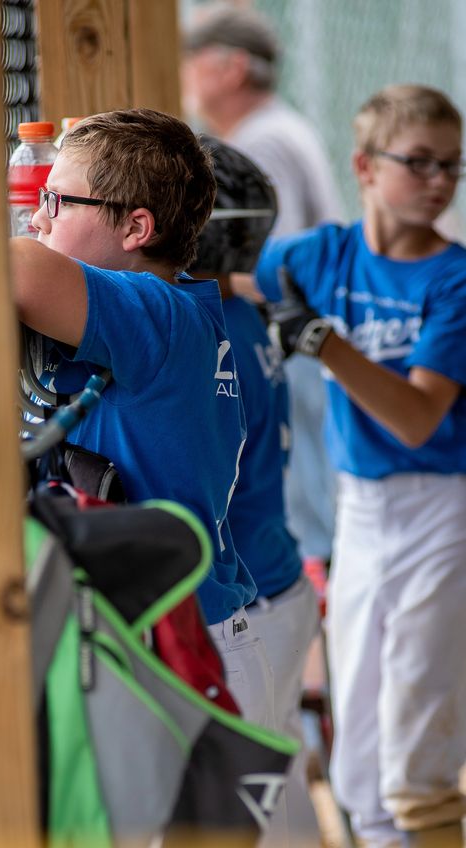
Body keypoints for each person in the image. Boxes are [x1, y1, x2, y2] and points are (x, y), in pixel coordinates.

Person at [11, 107, 271, 726]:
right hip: (173, 640)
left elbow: (18, 271)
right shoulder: (160, 315)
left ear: (136, 227)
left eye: (56, 200)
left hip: (186, 654)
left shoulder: (160, 313)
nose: (37, 217)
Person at [257, 84, 466, 848]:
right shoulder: (325, 254)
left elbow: (415, 418)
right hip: (360, 507)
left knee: (415, 736)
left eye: (452, 165)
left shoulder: (453, 278)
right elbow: (234, 278)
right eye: (419, 161)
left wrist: (321, 342)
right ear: (365, 167)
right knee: (359, 751)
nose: (439, 181)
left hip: (441, 505)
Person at [190, 136, 322, 846]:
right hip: (276, 581)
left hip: (253, 602)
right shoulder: (235, 312)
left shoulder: (206, 330)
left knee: (251, 815)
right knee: (279, 793)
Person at [181, 2, 341, 570]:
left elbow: (268, 263)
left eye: (193, 59)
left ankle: (317, 584)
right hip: (301, 333)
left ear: (232, 68)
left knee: (303, 493)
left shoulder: (262, 139)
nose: (185, 73)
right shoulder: (278, 125)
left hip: (292, 333)